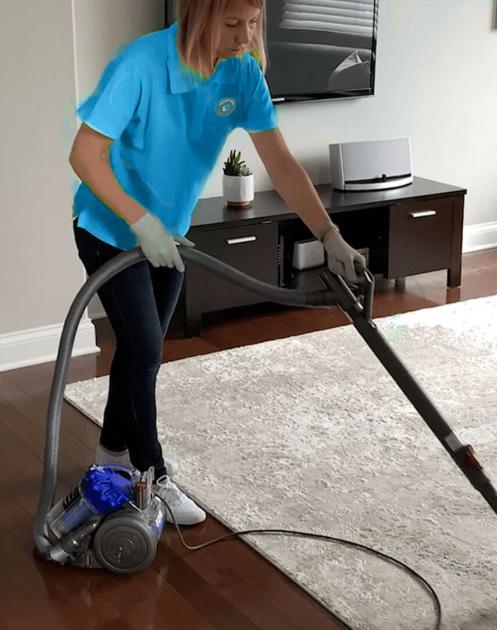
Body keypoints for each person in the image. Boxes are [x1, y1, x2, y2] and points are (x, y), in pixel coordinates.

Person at [69, 0, 366, 526]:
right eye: (231, 24)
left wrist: (329, 232)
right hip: (111, 228)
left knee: (144, 352)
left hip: (170, 232)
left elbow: (280, 161)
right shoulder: (138, 64)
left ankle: (110, 452)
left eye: (253, 23)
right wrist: (140, 222)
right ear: (197, 14)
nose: (244, 36)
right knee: (142, 349)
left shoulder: (242, 72)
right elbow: (85, 154)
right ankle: (152, 474)